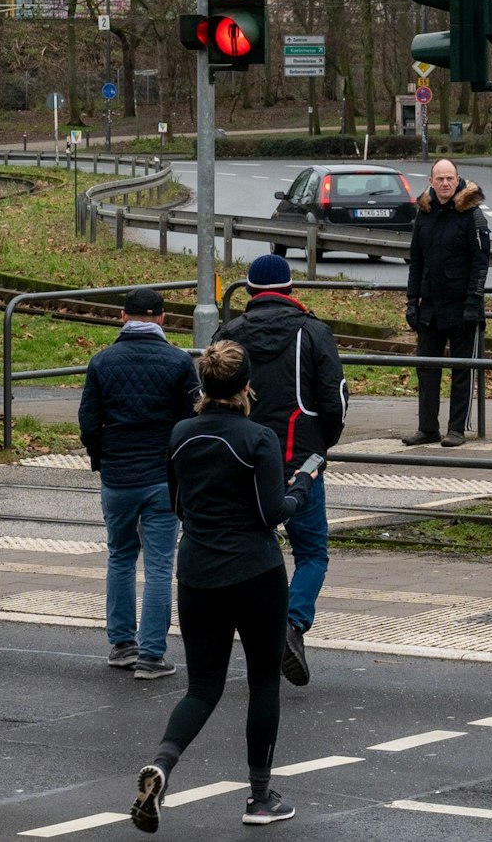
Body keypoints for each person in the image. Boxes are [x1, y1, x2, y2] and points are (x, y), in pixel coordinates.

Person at [130, 341, 320, 833]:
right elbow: (271, 512)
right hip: (255, 573)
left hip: (197, 573)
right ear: (246, 386)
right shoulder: (257, 438)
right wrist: (303, 483)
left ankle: (162, 766)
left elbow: (177, 504)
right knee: (261, 683)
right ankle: (259, 799)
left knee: (202, 688)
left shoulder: (180, 435)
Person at [214, 254, 347, 688]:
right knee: (311, 553)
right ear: (291, 291)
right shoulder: (313, 333)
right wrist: (321, 447)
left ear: (249, 292)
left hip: (241, 460)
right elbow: (334, 400)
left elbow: (209, 392)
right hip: (299, 461)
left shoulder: (230, 333)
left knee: (257, 548)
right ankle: (292, 623)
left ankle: (262, 630)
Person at [78, 287, 199, 680]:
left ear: (122, 316)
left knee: (120, 556)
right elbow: (189, 422)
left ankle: (122, 645)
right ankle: (151, 656)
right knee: (161, 566)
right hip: (163, 478)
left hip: (118, 475)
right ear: (162, 319)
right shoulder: (180, 363)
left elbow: (88, 422)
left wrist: (103, 459)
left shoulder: (102, 362)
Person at [404, 159, 491, 449]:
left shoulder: (472, 215)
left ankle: (456, 430)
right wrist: (411, 302)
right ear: (431, 181)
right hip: (430, 305)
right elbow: (416, 262)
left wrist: (473, 302)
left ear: (458, 180)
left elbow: (481, 264)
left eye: (449, 178)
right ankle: (427, 427)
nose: (444, 183)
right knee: (426, 368)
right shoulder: (424, 213)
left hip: (463, 306)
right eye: (439, 178)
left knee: (461, 370)